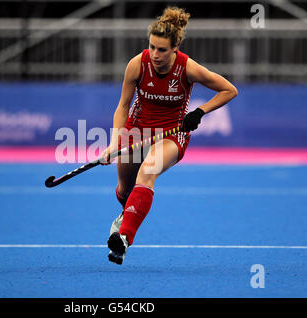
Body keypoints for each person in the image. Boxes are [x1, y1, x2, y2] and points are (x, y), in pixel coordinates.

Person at [101, 6, 238, 265]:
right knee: (125, 189)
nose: (155, 54)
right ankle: (125, 215)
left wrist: (199, 111)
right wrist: (114, 142)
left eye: (162, 49)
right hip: (137, 130)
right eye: (152, 47)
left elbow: (229, 90)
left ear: (175, 48)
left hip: (171, 134)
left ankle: (124, 238)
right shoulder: (136, 65)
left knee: (148, 172)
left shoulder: (188, 68)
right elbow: (123, 106)